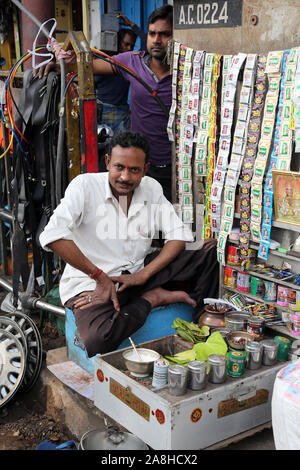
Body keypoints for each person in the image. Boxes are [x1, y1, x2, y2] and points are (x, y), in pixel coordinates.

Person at [39, 130, 219, 357]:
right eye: (119, 167)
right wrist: (99, 276)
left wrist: (143, 276)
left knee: (208, 250)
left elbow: (179, 236)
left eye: (134, 170)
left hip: (138, 273)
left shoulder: (151, 188)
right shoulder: (84, 186)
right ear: (107, 163)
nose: (125, 177)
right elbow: (52, 235)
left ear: (145, 169)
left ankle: (204, 329)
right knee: (96, 340)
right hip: (92, 283)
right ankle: (152, 298)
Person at [38, 5, 174, 201]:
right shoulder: (132, 62)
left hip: (175, 168)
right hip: (140, 166)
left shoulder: (186, 71)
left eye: (164, 34)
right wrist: (59, 66)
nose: (157, 40)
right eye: (152, 34)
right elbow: (88, 66)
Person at [94, 12, 147, 134]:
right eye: (126, 44)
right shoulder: (105, 62)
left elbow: (146, 47)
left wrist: (132, 25)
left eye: (132, 46)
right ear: (117, 42)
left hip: (121, 112)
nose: (129, 48)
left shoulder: (130, 63)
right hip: (104, 111)